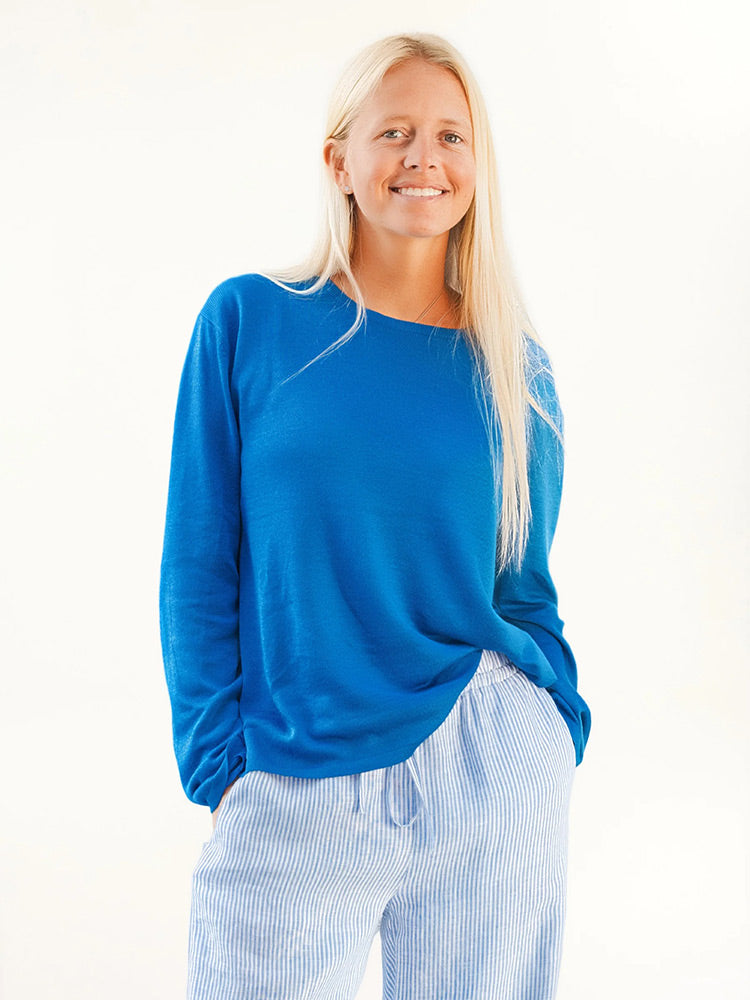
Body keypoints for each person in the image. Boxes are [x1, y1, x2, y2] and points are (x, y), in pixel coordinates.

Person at [159, 31, 591, 1000]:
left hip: (488, 767)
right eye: (393, 131)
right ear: (339, 161)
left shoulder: (514, 370)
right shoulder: (250, 322)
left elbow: (523, 590)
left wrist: (552, 733)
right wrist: (221, 770)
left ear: (477, 164)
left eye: (450, 135)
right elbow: (198, 562)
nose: (422, 158)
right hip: (295, 767)